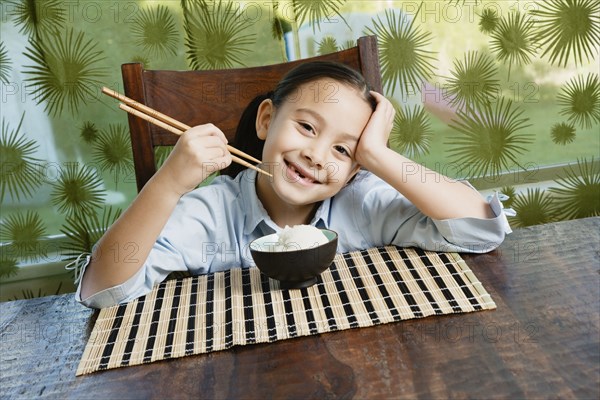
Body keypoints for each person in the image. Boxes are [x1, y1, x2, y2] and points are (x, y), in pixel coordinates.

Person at [76, 61, 511, 309]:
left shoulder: (362, 203)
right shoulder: (213, 211)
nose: (318, 156)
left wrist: (378, 156)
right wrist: (167, 184)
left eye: (344, 150)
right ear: (267, 120)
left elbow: (479, 228)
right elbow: (102, 288)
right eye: (306, 127)